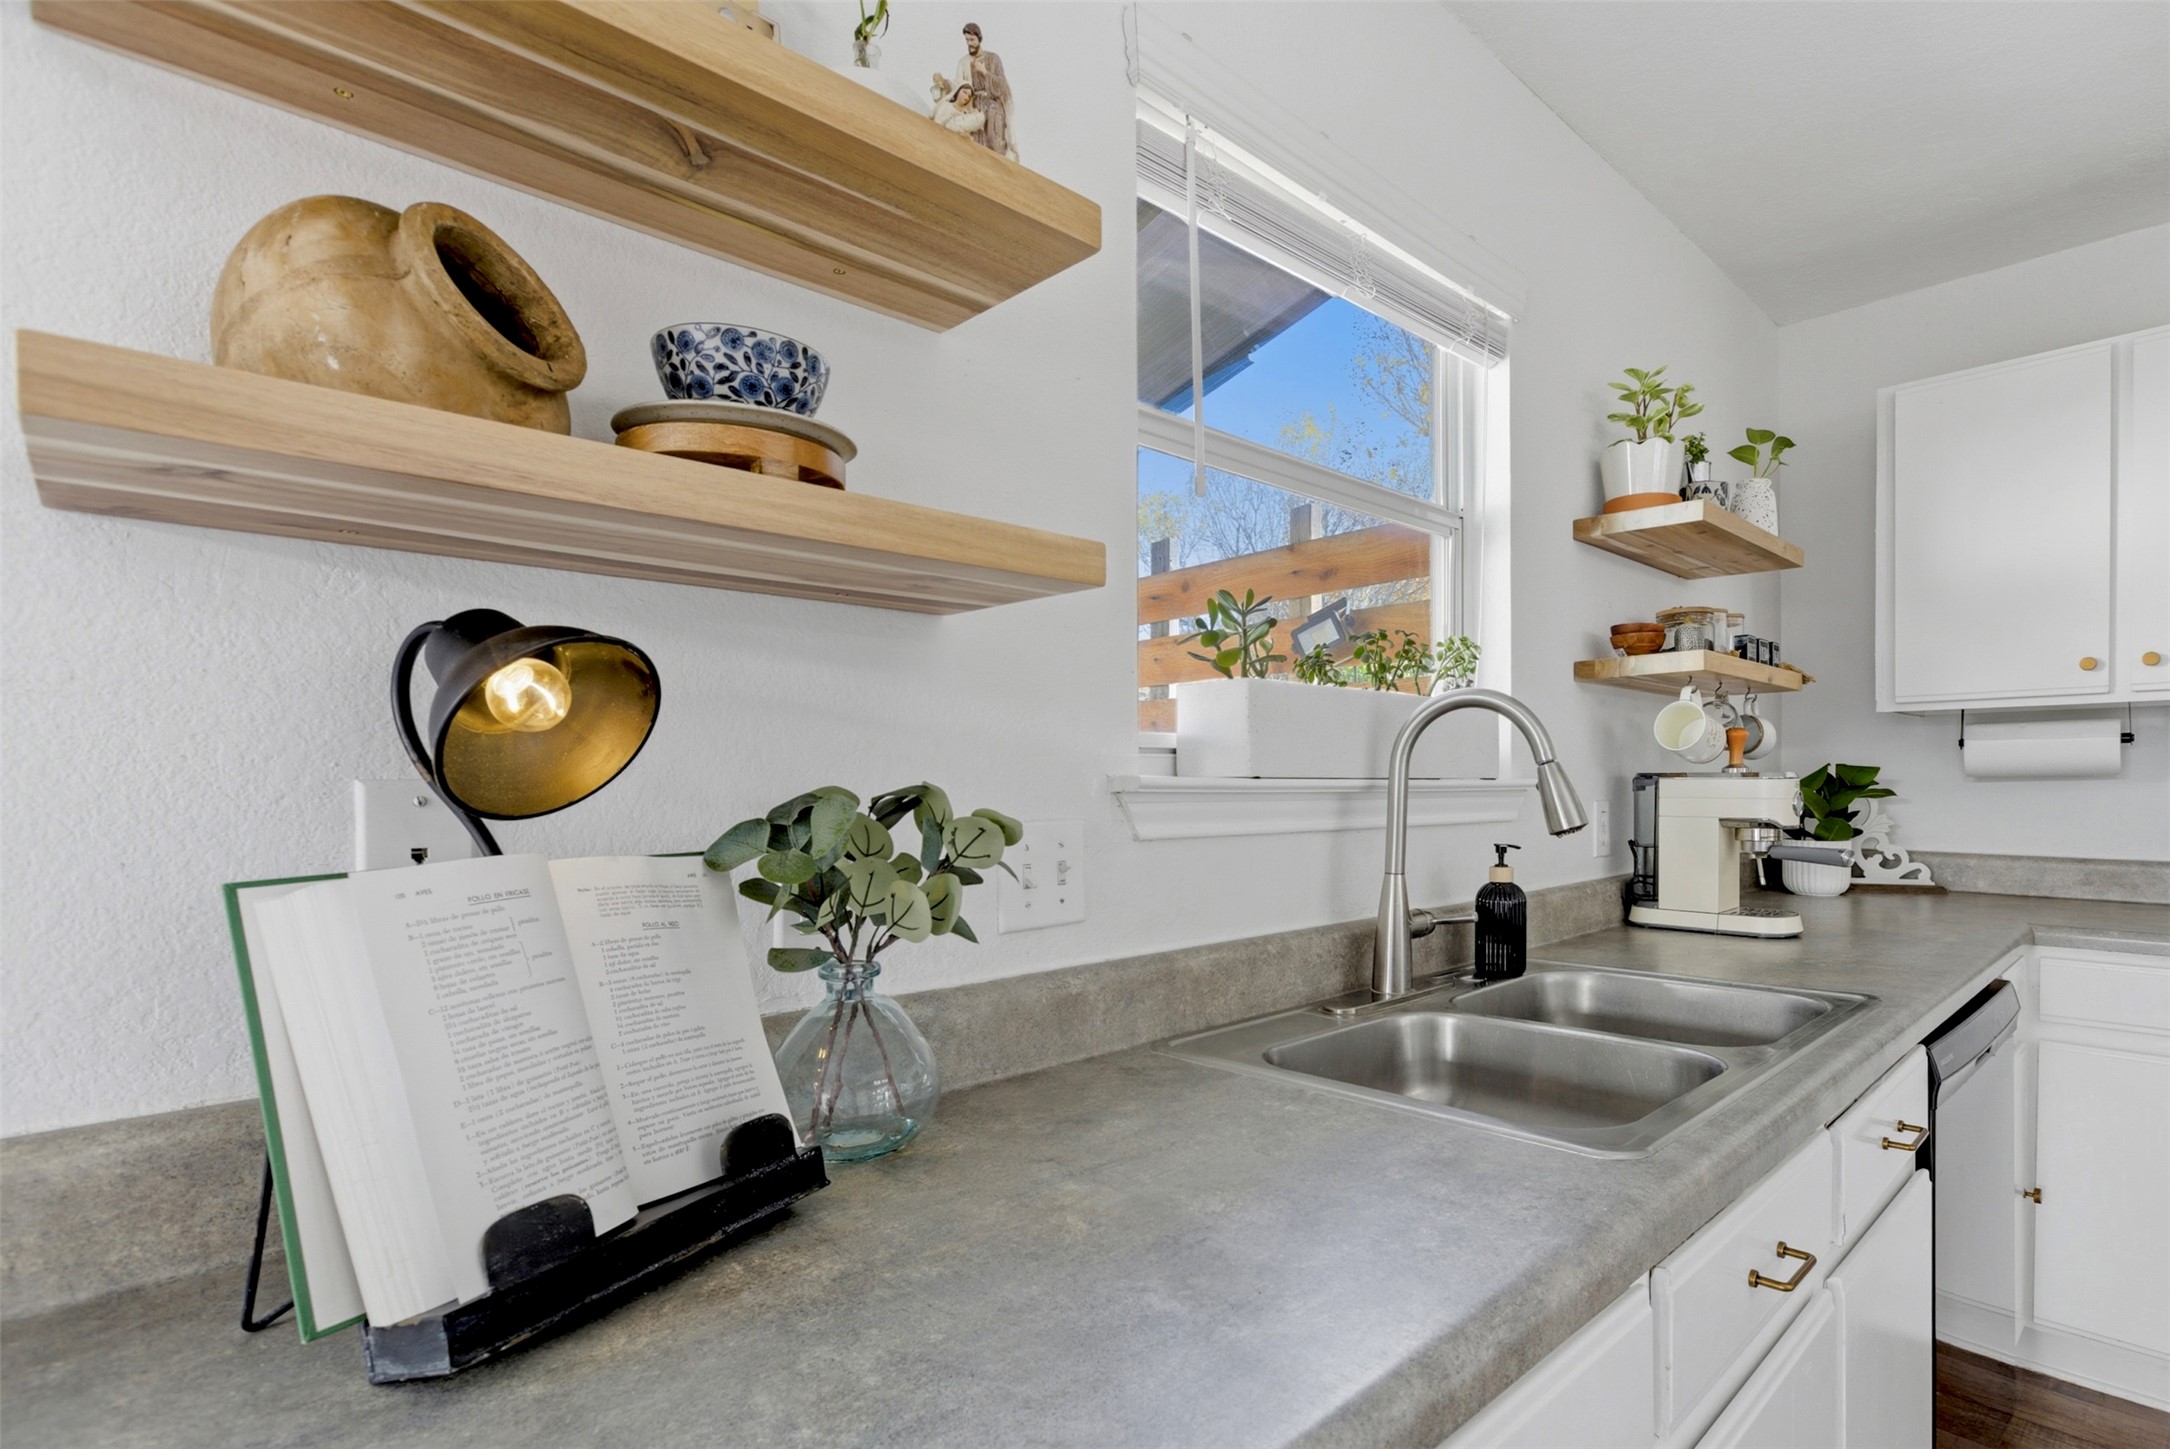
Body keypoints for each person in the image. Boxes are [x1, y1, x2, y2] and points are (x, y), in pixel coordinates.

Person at [932, 22, 1016, 161]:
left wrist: (985, 72)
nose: (969, 43)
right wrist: (944, 82)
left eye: (972, 40)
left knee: (995, 144)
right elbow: (959, 85)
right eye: (967, 40)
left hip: (993, 106)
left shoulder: (993, 59)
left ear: (979, 38)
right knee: (975, 145)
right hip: (974, 105)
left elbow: (1002, 86)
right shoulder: (963, 62)